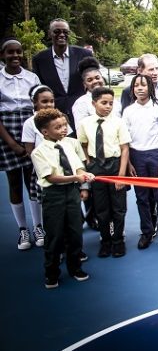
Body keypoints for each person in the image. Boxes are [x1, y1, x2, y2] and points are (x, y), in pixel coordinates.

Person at [30, 108, 94, 289]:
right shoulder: (39, 152)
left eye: (64, 125)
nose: (63, 130)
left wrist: (83, 180)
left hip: (72, 193)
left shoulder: (69, 144)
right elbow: (51, 178)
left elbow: (78, 167)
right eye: (58, 127)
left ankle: (75, 268)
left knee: (75, 233)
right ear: (45, 132)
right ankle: (51, 273)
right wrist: (76, 177)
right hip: (54, 196)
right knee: (55, 236)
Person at [120, 54, 158, 235]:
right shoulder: (128, 99)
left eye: (156, 69)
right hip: (138, 153)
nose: (155, 73)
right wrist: (129, 160)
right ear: (140, 71)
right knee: (144, 195)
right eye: (150, 69)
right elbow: (126, 132)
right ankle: (149, 228)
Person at [77, 87, 131, 258]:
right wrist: (88, 162)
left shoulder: (118, 122)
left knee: (118, 208)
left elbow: (124, 149)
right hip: (96, 168)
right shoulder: (85, 123)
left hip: (115, 166)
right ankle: (105, 241)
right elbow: (83, 145)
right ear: (94, 103)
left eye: (111, 103)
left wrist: (121, 176)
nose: (108, 106)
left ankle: (118, 241)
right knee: (101, 208)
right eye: (104, 103)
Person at [122, 74, 158, 250]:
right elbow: (125, 141)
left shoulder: (157, 108)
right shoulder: (128, 111)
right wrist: (129, 164)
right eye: (136, 85)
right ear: (132, 89)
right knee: (142, 197)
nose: (140, 88)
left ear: (150, 88)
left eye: (144, 85)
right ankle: (147, 231)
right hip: (137, 156)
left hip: (156, 154)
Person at [0, 38, 41, 250]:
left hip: (30, 127)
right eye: (10, 53)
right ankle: (23, 230)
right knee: (14, 181)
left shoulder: (31, 77)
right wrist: (13, 144)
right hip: (7, 130)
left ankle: (38, 226)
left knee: (33, 181)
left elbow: (38, 106)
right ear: (2, 55)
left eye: (18, 52)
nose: (15, 56)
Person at [31, 19, 93, 130]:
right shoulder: (40, 59)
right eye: (57, 31)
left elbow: (92, 81)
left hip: (82, 113)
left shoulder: (84, 55)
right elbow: (40, 89)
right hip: (54, 117)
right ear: (50, 34)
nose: (62, 35)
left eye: (65, 32)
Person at [22, 85, 60, 249]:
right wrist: (45, 166)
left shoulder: (59, 117)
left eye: (51, 101)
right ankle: (41, 230)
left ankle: (65, 243)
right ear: (35, 103)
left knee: (60, 208)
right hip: (43, 172)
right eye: (44, 101)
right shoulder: (30, 123)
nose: (49, 104)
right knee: (46, 205)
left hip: (61, 170)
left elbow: (67, 142)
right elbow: (29, 150)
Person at [72, 57, 123, 135]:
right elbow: (81, 131)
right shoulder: (81, 103)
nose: (95, 81)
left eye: (97, 78)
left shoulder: (114, 100)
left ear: (102, 78)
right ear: (84, 84)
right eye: (90, 80)